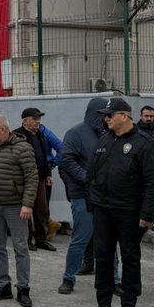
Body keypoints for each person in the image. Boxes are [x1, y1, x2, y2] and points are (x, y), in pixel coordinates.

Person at [88, 97, 154, 307]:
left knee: (130, 257)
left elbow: (151, 181)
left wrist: (147, 214)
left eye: (110, 115)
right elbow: (93, 171)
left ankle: (129, 305)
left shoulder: (143, 143)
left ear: (124, 117)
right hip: (102, 209)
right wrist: (92, 199)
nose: (106, 119)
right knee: (103, 256)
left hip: (129, 211)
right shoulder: (105, 138)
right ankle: (103, 302)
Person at [0, 115, 37, 307]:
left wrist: (27, 204)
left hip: (15, 206)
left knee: (20, 247)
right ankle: (3, 285)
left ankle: (23, 288)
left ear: (2, 130)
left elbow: (32, 177)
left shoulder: (22, 148)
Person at [58, 98, 107, 293]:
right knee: (81, 238)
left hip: (106, 196)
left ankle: (115, 280)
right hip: (83, 195)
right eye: (104, 114)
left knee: (108, 240)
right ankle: (68, 278)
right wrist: (87, 179)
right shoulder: (75, 133)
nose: (107, 117)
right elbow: (66, 160)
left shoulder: (109, 134)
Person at [14, 107, 56, 252]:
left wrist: (48, 174)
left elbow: (44, 156)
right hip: (24, 179)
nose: (38, 122)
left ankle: (41, 239)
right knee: (26, 210)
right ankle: (27, 239)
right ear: (26, 121)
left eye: (39, 118)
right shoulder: (17, 135)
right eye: (35, 119)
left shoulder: (40, 134)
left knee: (42, 209)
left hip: (40, 178)